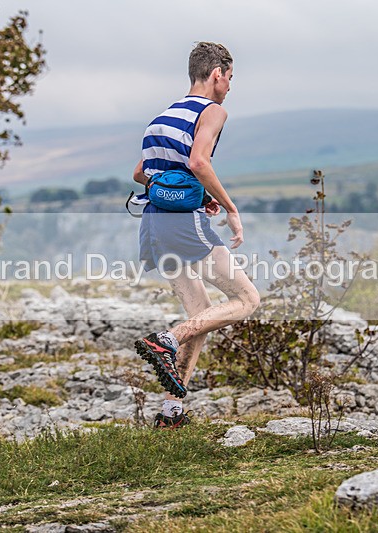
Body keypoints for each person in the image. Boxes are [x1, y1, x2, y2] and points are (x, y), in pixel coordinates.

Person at [132, 42, 260, 429]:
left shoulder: (162, 117)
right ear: (217, 73)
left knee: (202, 315)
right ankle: (168, 339)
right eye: (230, 78)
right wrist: (229, 206)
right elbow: (198, 161)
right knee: (247, 299)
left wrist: (193, 193)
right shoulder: (212, 110)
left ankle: (171, 413)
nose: (230, 87)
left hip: (154, 224)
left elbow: (140, 174)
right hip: (183, 225)